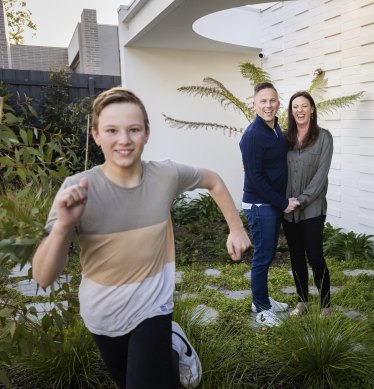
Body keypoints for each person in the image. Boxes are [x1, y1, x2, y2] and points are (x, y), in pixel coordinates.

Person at [32, 87, 251, 389]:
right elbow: (43, 277)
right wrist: (62, 228)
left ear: (146, 133)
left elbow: (212, 179)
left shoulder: (165, 176)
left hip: (153, 306)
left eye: (133, 129)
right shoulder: (78, 188)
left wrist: (236, 229)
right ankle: (173, 347)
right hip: (101, 314)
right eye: (112, 130)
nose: (124, 140)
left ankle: (165, 341)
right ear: (96, 135)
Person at [239, 82, 298, 327]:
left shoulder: (275, 130)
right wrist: (282, 203)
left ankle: (261, 299)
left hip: (269, 204)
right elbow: (255, 177)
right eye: (262, 101)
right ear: (254, 105)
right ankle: (262, 309)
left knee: (268, 253)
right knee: (262, 256)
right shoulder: (253, 135)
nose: (268, 105)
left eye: (272, 100)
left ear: (278, 103)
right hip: (259, 204)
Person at [282, 91, 333, 316]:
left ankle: (326, 305)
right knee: (295, 256)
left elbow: (321, 176)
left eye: (304, 106)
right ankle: (302, 301)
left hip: (312, 208)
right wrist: (282, 202)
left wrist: (300, 201)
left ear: (312, 109)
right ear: (291, 112)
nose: (300, 110)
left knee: (314, 256)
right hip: (287, 209)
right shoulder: (284, 139)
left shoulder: (324, 137)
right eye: (295, 107)